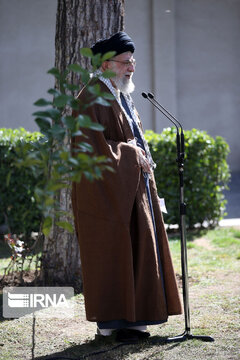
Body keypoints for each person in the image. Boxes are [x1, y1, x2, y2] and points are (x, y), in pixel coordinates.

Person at [71, 32, 182, 343]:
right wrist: (132, 153)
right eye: (125, 62)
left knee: (138, 251)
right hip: (105, 199)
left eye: (133, 61)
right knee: (113, 256)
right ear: (105, 65)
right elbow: (90, 149)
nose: (132, 67)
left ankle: (134, 324)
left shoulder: (121, 95)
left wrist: (136, 155)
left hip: (132, 192)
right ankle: (112, 325)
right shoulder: (90, 98)